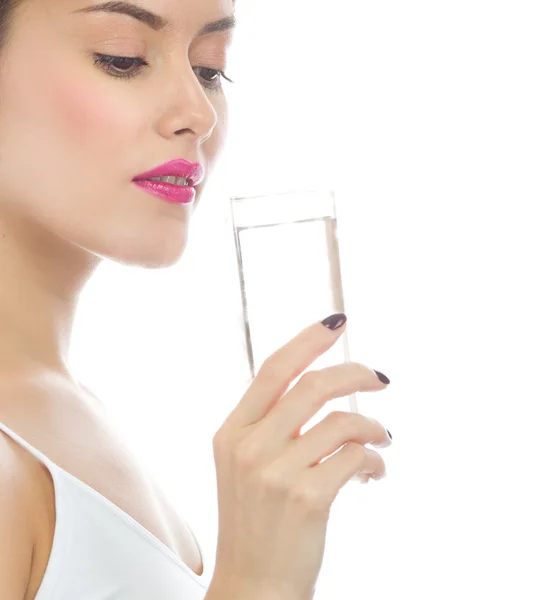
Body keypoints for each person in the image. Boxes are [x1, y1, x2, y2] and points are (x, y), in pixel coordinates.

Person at [0, 1, 392, 599]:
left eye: (210, 68)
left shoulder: (71, 412)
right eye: (122, 58)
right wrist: (258, 582)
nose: (198, 113)